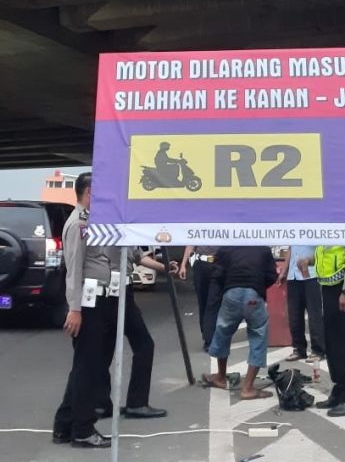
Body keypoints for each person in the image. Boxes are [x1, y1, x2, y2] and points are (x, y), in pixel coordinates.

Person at [52, 173, 121, 449]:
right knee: (88, 369)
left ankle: (64, 425)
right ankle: (82, 429)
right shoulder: (78, 224)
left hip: (98, 300)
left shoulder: (91, 221)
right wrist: (75, 309)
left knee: (85, 367)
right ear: (89, 192)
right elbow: (74, 269)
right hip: (88, 304)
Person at [95, 246, 176, 420]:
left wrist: (164, 268)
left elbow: (136, 256)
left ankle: (100, 403)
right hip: (116, 289)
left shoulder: (117, 226)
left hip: (116, 288)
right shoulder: (115, 227)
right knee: (144, 345)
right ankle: (137, 403)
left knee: (106, 347)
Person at [200, 246, 278, 401]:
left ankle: (220, 377)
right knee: (258, 335)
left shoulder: (227, 246)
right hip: (254, 295)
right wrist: (258, 287)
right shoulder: (263, 248)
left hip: (232, 293)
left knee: (223, 331)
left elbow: (218, 273)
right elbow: (271, 276)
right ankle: (248, 388)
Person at [315, 244, 345, 417]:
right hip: (329, 288)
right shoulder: (327, 223)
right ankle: (339, 391)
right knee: (333, 344)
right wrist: (310, 260)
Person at [280, 245, 325, 362]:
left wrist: (308, 261)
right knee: (294, 315)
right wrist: (284, 271)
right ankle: (299, 349)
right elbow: (290, 248)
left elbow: (321, 249)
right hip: (293, 275)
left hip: (312, 274)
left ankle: (318, 350)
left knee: (314, 315)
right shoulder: (294, 228)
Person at [179, 244, 221, 350]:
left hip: (218, 264)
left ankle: (210, 339)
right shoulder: (198, 227)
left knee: (213, 302)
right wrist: (183, 265)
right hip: (201, 265)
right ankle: (206, 333)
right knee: (203, 302)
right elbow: (190, 244)